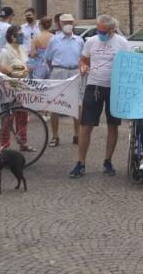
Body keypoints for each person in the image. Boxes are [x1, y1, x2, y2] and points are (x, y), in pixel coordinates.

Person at [70, 14, 129, 178]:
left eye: (103, 31)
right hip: (93, 86)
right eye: (98, 30)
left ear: (112, 30)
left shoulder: (122, 43)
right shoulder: (91, 41)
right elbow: (83, 60)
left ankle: (108, 161)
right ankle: (80, 163)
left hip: (113, 88)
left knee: (113, 125)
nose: (100, 33)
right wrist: (82, 67)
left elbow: (128, 65)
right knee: (86, 125)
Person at [45, 13, 84, 147]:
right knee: (54, 104)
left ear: (74, 24)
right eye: (65, 22)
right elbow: (48, 58)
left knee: (77, 105)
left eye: (70, 22)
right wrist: (57, 69)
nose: (68, 25)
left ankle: (77, 135)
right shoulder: (54, 40)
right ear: (60, 24)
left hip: (74, 72)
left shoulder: (79, 40)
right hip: (58, 71)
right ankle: (55, 136)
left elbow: (82, 58)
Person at [0, 25, 32, 153]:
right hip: (9, 88)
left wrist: (27, 70)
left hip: (22, 87)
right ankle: (5, 144)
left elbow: (26, 65)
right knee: (8, 118)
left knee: (23, 116)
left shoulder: (23, 49)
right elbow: (2, 71)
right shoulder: (5, 51)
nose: (22, 37)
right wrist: (17, 72)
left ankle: (23, 142)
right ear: (12, 37)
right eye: (19, 35)